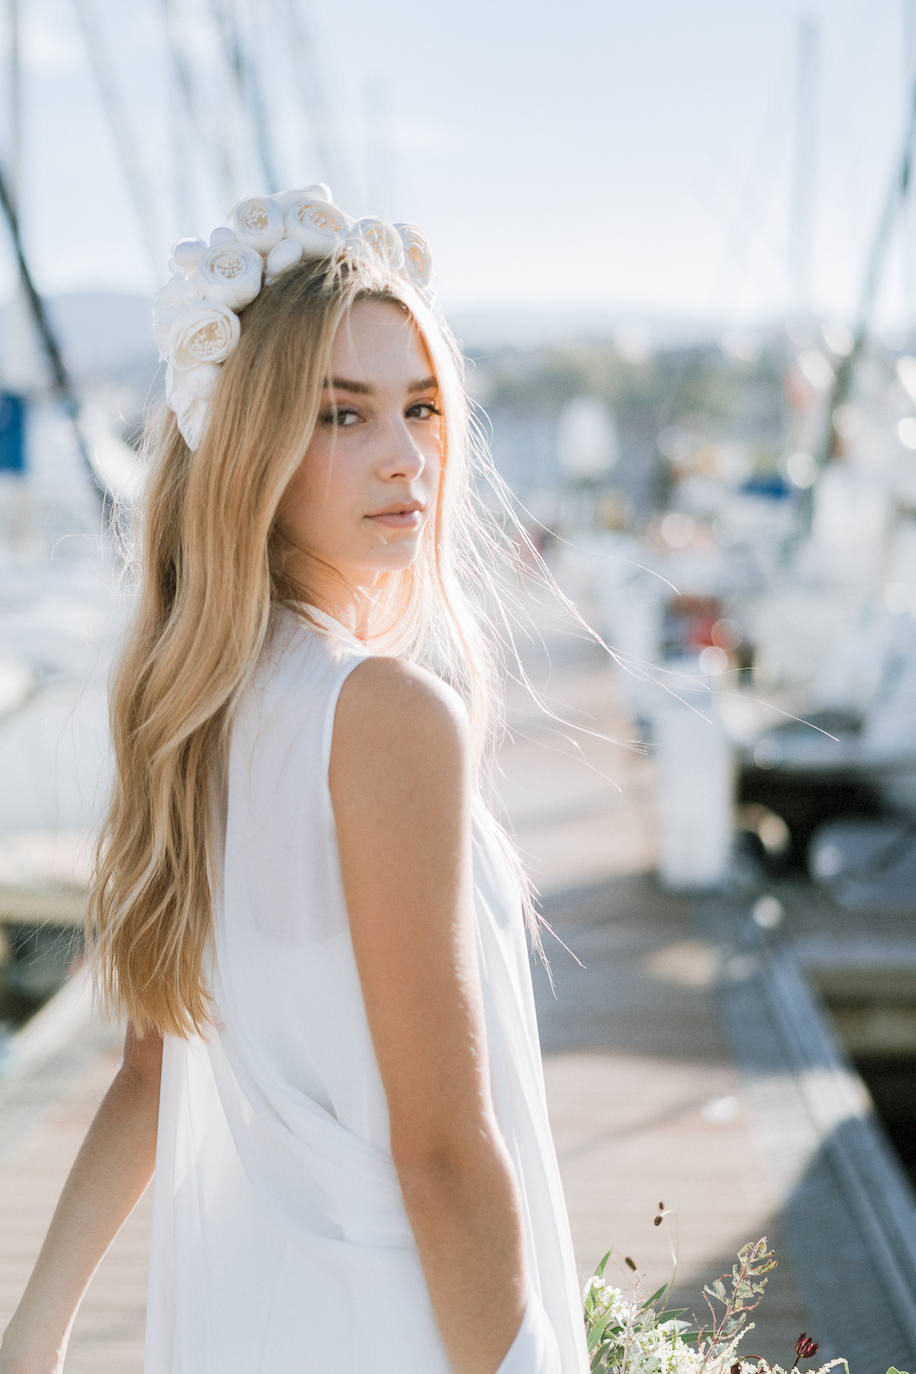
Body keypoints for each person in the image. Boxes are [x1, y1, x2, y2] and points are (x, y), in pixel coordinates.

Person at [0, 186, 591, 1374]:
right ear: (253, 443)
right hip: (404, 1331)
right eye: (341, 415)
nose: (403, 456)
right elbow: (441, 1150)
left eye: (420, 409)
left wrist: (31, 1336)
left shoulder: (197, 707)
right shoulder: (381, 714)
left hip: (252, 1325)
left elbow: (146, 1067)